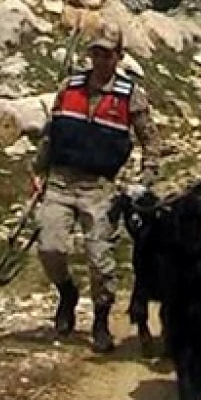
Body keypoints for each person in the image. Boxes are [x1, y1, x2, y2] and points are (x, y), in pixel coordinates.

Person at [30, 20, 160, 354]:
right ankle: (67, 293)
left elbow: (151, 141)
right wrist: (37, 170)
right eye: (96, 54)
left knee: (99, 257)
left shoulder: (130, 95)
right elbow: (51, 132)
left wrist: (144, 180)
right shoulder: (69, 86)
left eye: (107, 55)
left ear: (118, 57)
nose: (100, 60)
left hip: (99, 187)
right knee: (49, 246)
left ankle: (100, 319)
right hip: (60, 180)